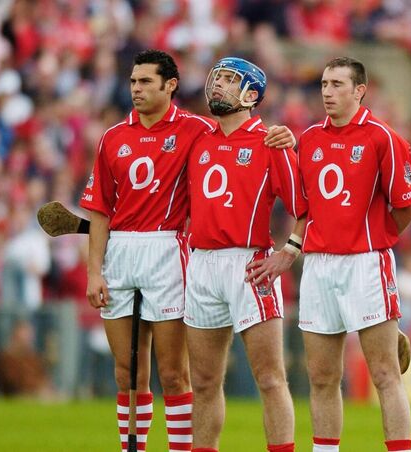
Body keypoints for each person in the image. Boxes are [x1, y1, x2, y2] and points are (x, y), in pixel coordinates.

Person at [79, 49, 294, 452]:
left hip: (183, 252)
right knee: (129, 370)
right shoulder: (117, 136)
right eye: (133, 81)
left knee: (184, 374)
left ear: (170, 86)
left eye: (145, 81)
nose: (136, 89)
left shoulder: (198, 130)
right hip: (140, 254)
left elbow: (248, 136)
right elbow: (101, 209)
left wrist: (288, 137)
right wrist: (95, 270)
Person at [252, 56, 411, 452]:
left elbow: (405, 208)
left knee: (384, 373)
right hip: (319, 267)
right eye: (324, 84)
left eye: (337, 84)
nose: (327, 92)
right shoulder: (308, 139)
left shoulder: (383, 138)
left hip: (366, 264)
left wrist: (373, 241)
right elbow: (306, 210)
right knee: (322, 377)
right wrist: (290, 249)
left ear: (360, 90)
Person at [183, 57, 306, 452]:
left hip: (248, 263)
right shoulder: (198, 139)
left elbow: (304, 207)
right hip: (200, 263)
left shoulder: (270, 141)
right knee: (202, 382)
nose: (218, 86)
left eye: (230, 81)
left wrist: (290, 250)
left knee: (270, 378)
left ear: (252, 95)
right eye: (216, 79)